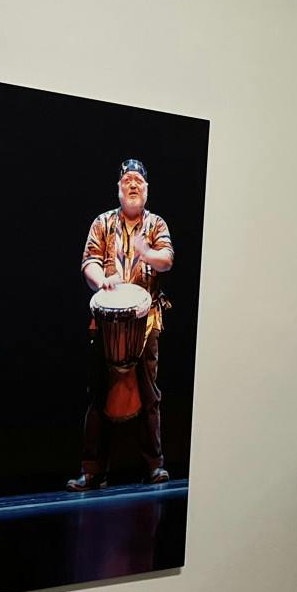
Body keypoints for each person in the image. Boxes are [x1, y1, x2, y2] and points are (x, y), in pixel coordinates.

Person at [70, 158, 174, 491]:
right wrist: (102, 281)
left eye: (138, 181)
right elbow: (89, 262)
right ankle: (92, 470)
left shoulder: (155, 224)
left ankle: (155, 465)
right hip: (106, 321)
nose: (132, 185)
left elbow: (167, 260)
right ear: (118, 188)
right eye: (127, 180)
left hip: (146, 322)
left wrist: (146, 252)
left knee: (149, 395)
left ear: (146, 189)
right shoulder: (102, 223)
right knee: (98, 395)